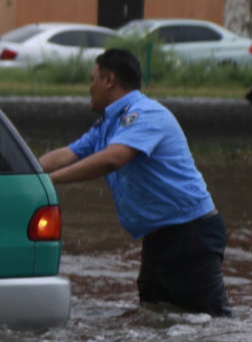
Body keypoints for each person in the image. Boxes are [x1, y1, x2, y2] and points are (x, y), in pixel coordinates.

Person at [39, 48, 231, 317]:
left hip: (190, 233)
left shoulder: (144, 114)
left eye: (93, 78)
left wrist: (47, 182)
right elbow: (66, 155)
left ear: (110, 80)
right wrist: (23, 171)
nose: (89, 87)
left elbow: (113, 159)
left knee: (212, 322)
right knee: (156, 316)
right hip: (160, 236)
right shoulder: (108, 125)